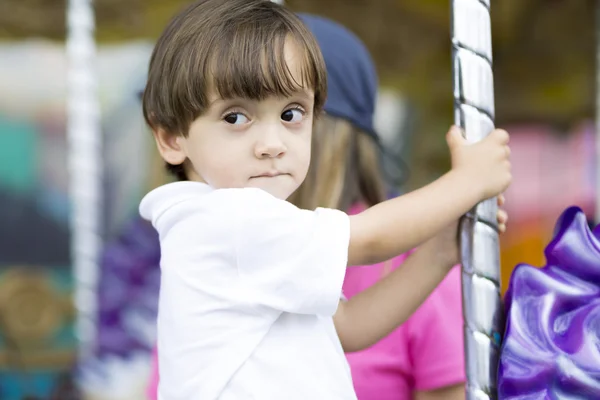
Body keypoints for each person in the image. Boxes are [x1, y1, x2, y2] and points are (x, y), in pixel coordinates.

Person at [139, 0, 511, 399]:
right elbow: (367, 240)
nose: (272, 144)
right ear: (172, 138)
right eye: (235, 117)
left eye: (291, 114)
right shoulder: (223, 223)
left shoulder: (251, 245)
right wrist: (466, 183)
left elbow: (348, 325)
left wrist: (436, 255)